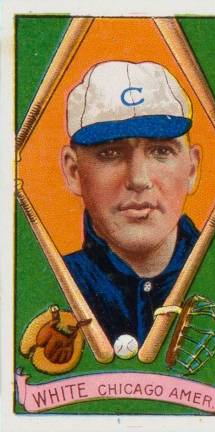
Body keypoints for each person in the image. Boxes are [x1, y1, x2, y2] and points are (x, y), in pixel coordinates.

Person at [58, 61, 202, 347]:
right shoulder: (51, 281)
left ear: (192, 169)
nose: (139, 179)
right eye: (110, 152)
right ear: (74, 172)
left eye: (161, 151)